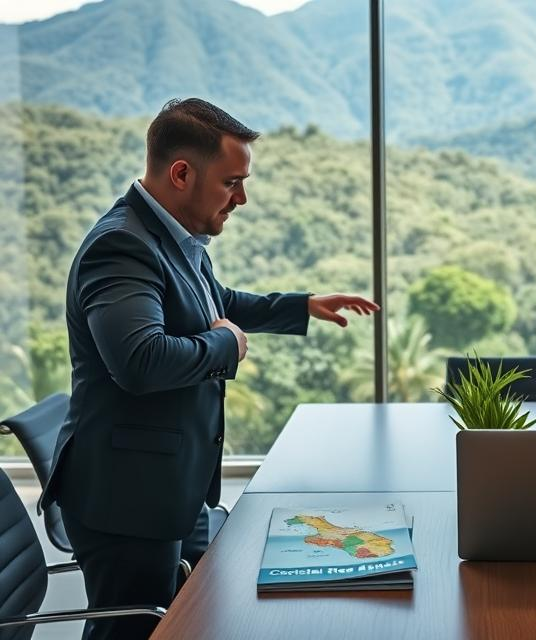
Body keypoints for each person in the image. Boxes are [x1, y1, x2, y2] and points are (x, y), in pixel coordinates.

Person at [40, 98, 379, 639]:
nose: (242, 198)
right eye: (232, 182)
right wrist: (226, 345)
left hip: (177, 486)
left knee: (193, 622)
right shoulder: (122, 246)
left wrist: (300, 305)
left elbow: (213, 300)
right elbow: (141, 361)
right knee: (135, 630)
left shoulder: (176, 236)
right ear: (181, 174)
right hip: (127, 498)